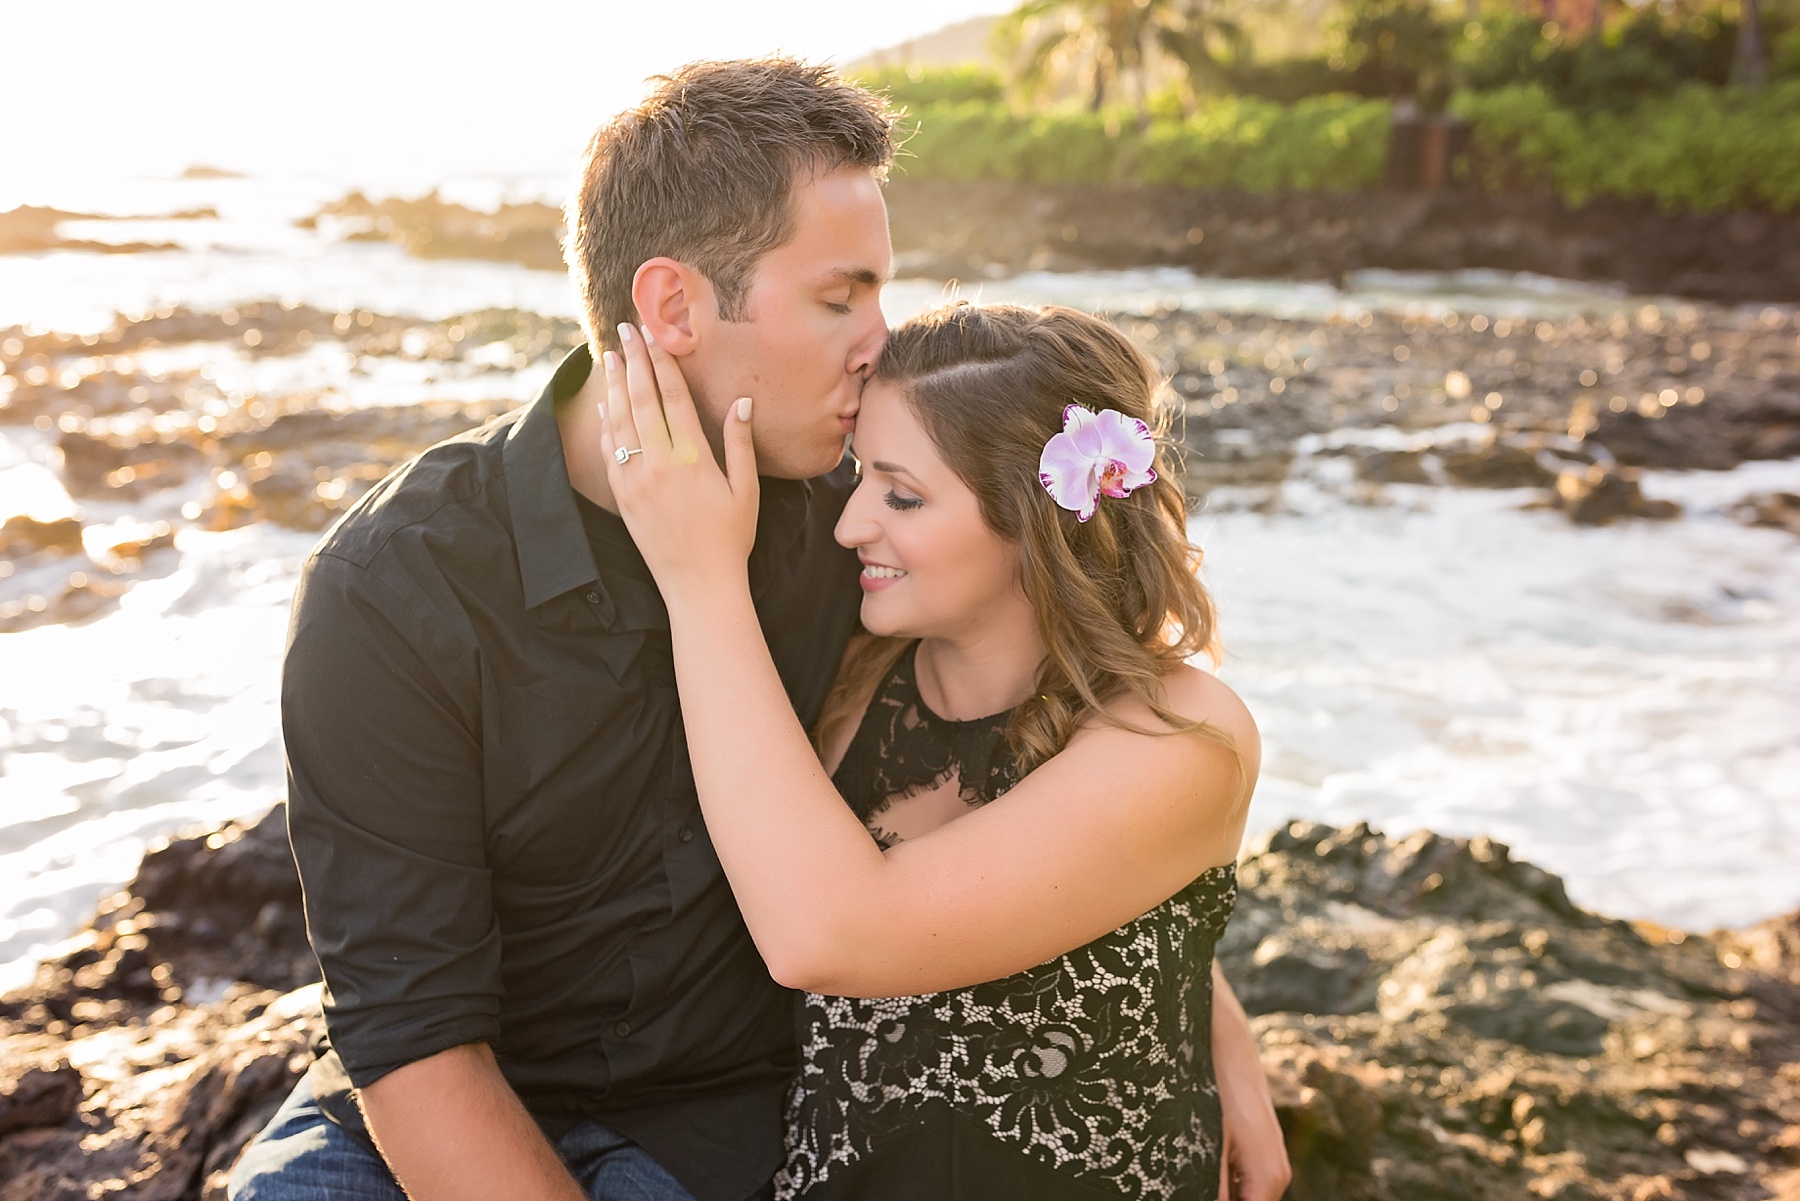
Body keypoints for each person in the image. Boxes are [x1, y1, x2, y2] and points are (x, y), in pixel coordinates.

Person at [230, 55, 1287, 1201]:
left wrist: (1206, 1017)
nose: (880, 341)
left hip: (714, 1114)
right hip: (440, 1100)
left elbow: (1063, 761)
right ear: (674, 306)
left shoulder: (858, 529)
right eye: (841, 297)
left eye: (883, 290)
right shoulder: (396, 588)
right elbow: (416, 1041)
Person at [593, 300, 1289, 1201]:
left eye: (902, 494)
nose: (849, 525)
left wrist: (699, 575)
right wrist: (1223, 1025)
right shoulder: (849, 676)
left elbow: (826, 935)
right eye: (859, 477)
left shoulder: (1183, 736)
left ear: (1032, 525)